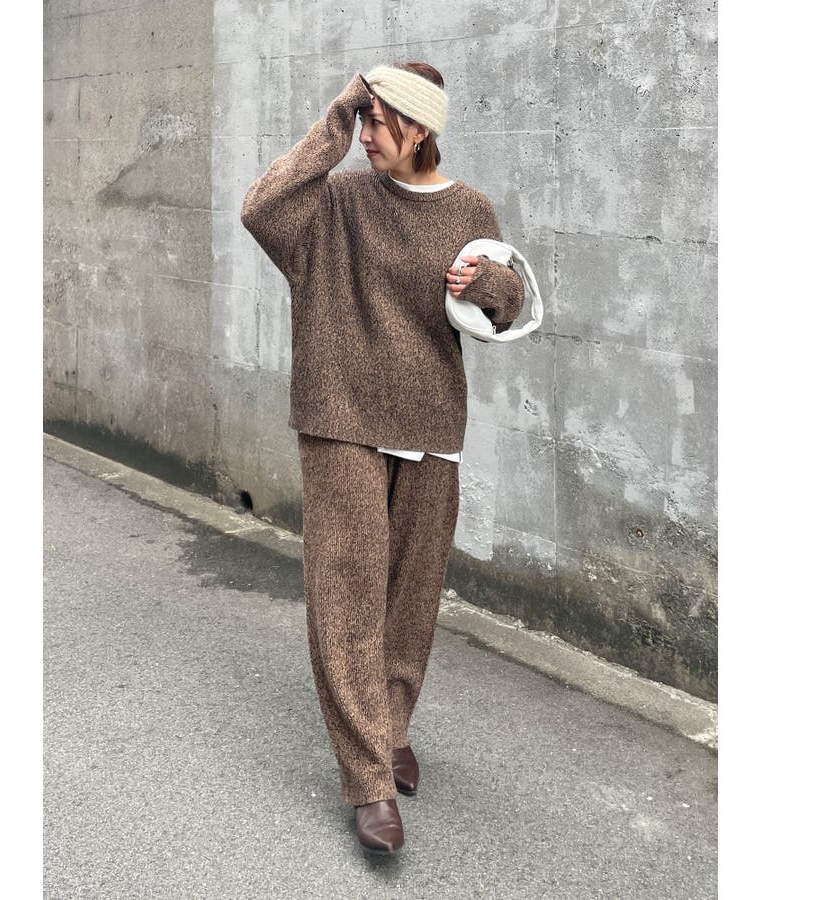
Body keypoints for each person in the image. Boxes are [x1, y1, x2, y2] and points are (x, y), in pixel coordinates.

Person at [240, 62, 524, 855]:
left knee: (411, 592)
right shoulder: (333, 203)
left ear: (422, 127)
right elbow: (260, 207)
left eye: (379, 122)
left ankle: (392, 726)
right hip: (341, 416)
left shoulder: (469, 210)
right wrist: (335, 119)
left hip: (431, 422)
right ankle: (368, 777)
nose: (367, 136)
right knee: (348, 590)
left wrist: (489, 281)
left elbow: (511, 308)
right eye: (361, 120)